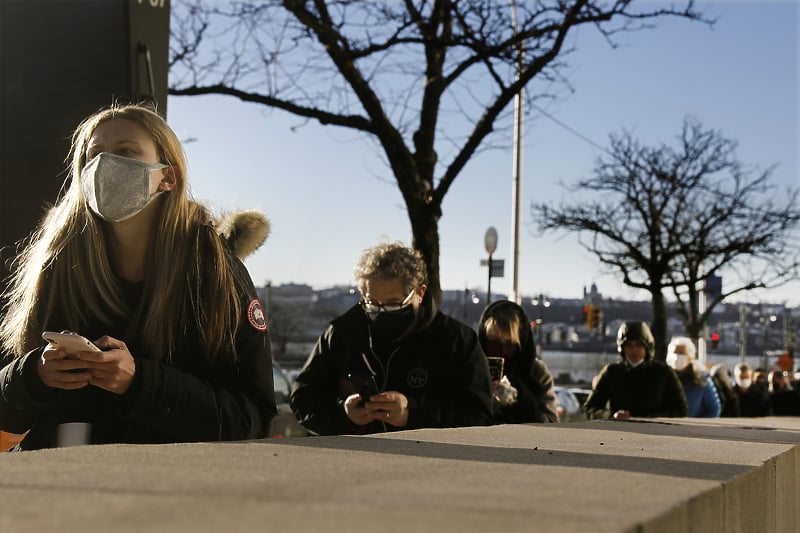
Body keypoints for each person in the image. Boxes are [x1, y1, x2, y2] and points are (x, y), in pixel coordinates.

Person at [0, 103, 276, 450]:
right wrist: (34, 376)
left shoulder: (213, 271)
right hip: (63, 488)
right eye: (93, 154)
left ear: (167, 177)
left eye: (126, 152)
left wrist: (140, 383)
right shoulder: (54, 262)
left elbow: (250, 418)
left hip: (171, 489)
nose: (103, 166)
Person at [290, 242, 493, 435]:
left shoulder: (456, 340)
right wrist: (343, 413)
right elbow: (302, 400)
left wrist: (412, 414)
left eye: (393, 303)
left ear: (419, 293)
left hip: (429, 464)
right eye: (372, 303)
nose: (381, 311)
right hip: (351, 462)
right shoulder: (342, 333)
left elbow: (478, 416)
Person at [584, 321, 688, 420]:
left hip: (656, 432)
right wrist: (611, 416)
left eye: (638, 345)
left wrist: (651, 418)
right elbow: (590, 408)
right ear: (622, 348)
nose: (634, 349)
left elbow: (680, 410)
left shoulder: (663, 372)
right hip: (620, 431)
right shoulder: (612, 372)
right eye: (629, 345)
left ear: (647, 347)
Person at [476, 300, 559, 423]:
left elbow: (551, 424)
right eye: (494, 343)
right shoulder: (472, 368)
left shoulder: (536, 372)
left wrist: (520, 399)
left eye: (509, 344)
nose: (502, 350)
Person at [666, 336, 720, 418]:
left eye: (681, 353)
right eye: (675, 352)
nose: (677, 356)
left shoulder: (702, 379)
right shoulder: (664, 378)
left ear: (690, 357)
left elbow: (714, 410)